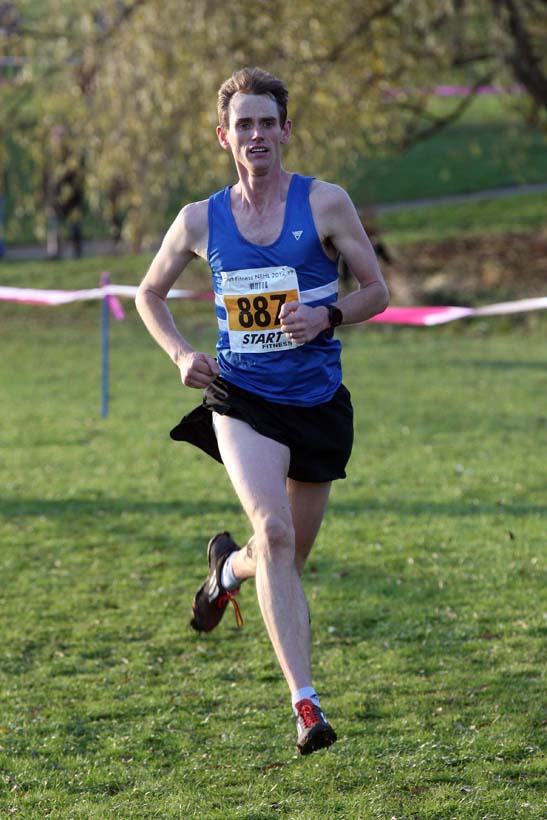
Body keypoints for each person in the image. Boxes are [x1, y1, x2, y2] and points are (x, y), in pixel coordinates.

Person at [135, 67, 389, 755]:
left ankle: (224, 574)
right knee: (273, 534)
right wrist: (181, 356)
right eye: (242, 124)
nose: (255, 134)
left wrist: (326, 314)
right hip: (241, 397)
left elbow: (377, 291)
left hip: (316, 403)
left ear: (285, 130)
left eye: (266, 122)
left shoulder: (326, 204)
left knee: (283, 559)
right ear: (225, 137)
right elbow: (148, 295)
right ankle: (305, 707)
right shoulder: (198, 219)